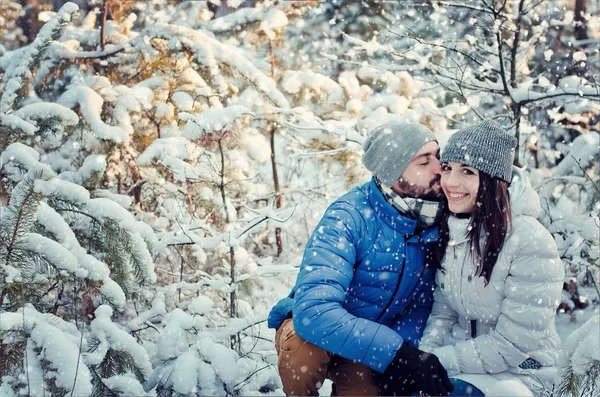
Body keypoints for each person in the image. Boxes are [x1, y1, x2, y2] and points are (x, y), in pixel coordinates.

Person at [268, 122, 454, 396]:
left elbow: (419, 305)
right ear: (394, 174)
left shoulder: (430, 220)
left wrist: (406, 354)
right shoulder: (347, 217)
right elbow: (315, 311)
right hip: (316, 331)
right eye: (424, 161)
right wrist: (395, 351)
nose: (439, 168)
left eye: (437, 156)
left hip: (365, 342)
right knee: (303, 353)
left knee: (367, 390)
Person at [419, 120, 563, 396]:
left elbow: (511, 344)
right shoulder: (455, 226)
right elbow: (443, 310)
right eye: (448, 168)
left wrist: (439, 361)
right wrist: (424, 357)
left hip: (522, 371)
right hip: (466, 362)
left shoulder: (530, 240)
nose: (451, 182)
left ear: (492, 181)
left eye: (467, 171)